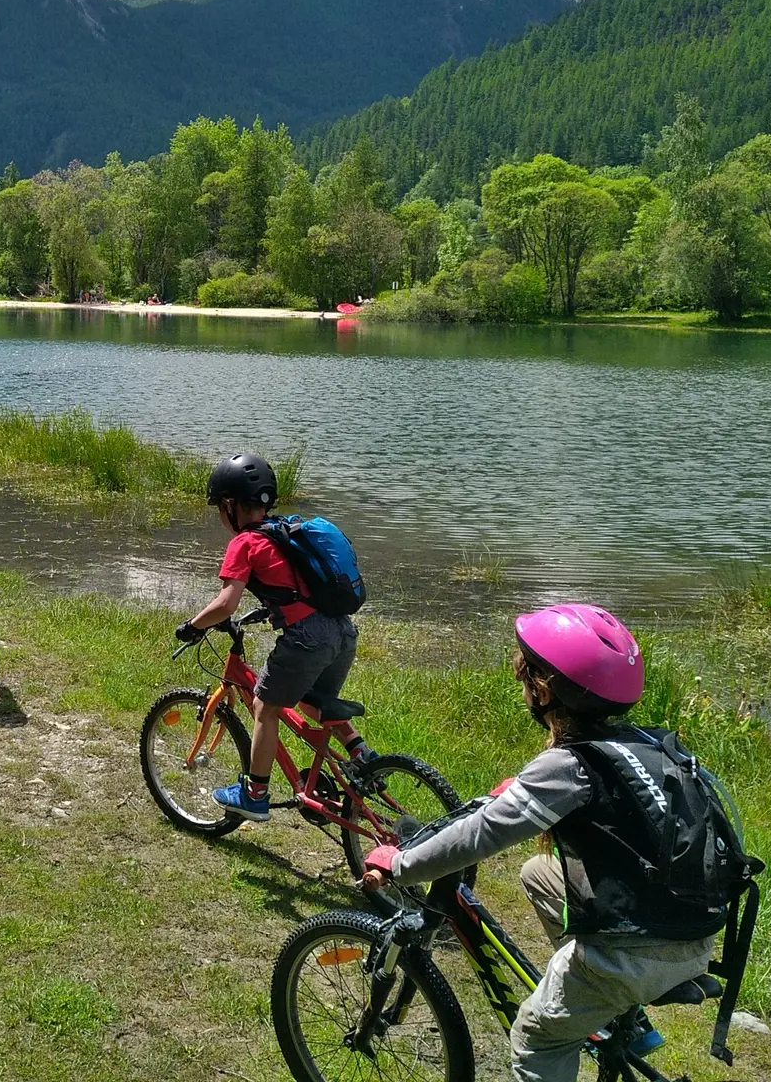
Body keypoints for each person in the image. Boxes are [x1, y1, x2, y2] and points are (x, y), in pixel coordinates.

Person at [360, 603, 720, 1082]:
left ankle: (598, 996)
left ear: (544, 688)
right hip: (694, 932)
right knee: (538, 873)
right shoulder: (644, 743)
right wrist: (523, 791)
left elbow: (479, 835)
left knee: (535, 1039)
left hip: (636, 954)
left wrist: (401, 863)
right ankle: (611, 1013)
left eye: (525, 678)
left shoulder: (567, 768)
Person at [176, 452, 378, 821]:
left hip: (308, 638)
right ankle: (365, 760)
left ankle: (254, 794)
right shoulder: (285, 530)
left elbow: (225, 603)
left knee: (264, 707)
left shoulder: (245, 543)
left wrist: (193, 626)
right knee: (313, 701)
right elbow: (296, 586)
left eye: (220, 508)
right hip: (343, 630)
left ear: (230, 505)